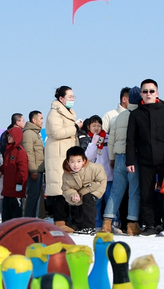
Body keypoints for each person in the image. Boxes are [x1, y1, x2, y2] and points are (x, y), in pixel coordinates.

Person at [126, 79, 164, 237]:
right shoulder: (136, 115)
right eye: (145, 91)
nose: (148, 94)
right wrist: (130, 160)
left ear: (157, 93)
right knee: (146, 194)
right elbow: (131, 139)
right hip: (144, 161)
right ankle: (150, 224)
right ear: (141, 94)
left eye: (151, 91)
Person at [104, 86, 141, 235]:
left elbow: (111, 139)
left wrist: (112, 158)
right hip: (135, 156)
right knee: (134, 191)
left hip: (119, 156)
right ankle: (132, 226)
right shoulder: (140, 114)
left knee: (116, 192)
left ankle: (107, 223)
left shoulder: (118, 117)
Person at [45, 86, 82, 233]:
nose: (72, 99)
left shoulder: (67, 112)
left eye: (73, 97)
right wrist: (75, 128)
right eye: (70, 96)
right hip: (57, 155)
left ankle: (67, 221)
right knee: (59, 190)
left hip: (65, 154)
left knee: (67, 188)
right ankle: (59, 221)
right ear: (61, 98)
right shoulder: (54, 113)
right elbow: (57, 132)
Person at [61, 146, 106, 235]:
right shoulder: (66, 174)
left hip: (96, 189)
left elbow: (100, 181)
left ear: (84, 161)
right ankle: (80, 226)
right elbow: (66, 189)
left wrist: (81, 192)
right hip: (80, 192)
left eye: (78, 161)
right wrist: (73, 195)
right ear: (68, 162)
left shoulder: (95, 168)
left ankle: (90, 227)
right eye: (72, 162)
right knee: (77, 201)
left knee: (88, 199)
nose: (75, 165)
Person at [83, 115, 112, 230]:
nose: (96, 128)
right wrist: (93, 143)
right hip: (95, 178)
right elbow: (88, 157)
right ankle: (97, 223)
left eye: (98, 125)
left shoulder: (108, 138)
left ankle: (113, 223)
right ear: (88, 127)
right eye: (93, 125)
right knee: (97, 202)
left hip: (109, 176)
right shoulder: (87, 139)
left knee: (110, 200)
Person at [0, 125, 28, 221]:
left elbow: (23, 169)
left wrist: (19, 183)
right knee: (6, 211)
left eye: (11, 136)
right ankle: (5, 228)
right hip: (7, 187)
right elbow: (6, 165)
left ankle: (16, 229)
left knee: (15, 210)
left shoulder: (20, 151)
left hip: (16, 188)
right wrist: (0, 170)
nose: (9, 138)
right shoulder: (8, 151)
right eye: (8, 136)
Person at [22, 110, 45, 218]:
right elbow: (29, 153)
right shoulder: (28, 133)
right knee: (32, 196)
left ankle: (32, 218)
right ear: (33, 120)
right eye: (40, 118)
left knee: (36, 197)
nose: (42, 121)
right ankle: (28, 218)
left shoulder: (36, 133)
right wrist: (33, 170)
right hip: (34, 170)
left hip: (39, 169)